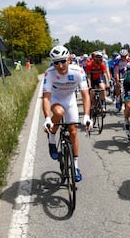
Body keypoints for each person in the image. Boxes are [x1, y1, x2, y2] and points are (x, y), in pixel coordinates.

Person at [42, 45, 92, 182]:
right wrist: (47, 118)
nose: (60, 65)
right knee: (59, 112)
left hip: (70, 100)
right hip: (55, 99)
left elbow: (85, 95)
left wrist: (87, 116)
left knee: (73, 131)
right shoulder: (49, 73)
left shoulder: (78, 71)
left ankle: (75, 166)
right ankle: (52, 139)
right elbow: (46, 97)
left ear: (69, 59)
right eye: (56, 62)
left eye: (63, 61)